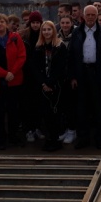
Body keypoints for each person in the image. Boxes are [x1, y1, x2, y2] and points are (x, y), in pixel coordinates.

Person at [68, 4, 101, 149]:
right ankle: (83, 138)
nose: (90, 17)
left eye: (93, 15)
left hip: (98, 73)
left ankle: (99, 138)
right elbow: (71, 55)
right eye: (88, 15)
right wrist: (73, 76)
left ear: (96, 16)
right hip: (82, 73)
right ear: (83, 16)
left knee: (99, 108)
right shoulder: (77, 32)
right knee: (82, 108)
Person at [0, 13, 27, 149]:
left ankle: (13, 137)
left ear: (7, 24)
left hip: (13, 80)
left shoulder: (15, 38)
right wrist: (4, 74)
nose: (0, 24)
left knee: (14, 111)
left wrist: (12, 72)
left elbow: (22, 56)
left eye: (2, 22)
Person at [32, 20, 68, 152]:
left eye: (49, 29)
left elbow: (61, 67)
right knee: (45, 113)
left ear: (53, 31)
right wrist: (43, 82)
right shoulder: (38, 47)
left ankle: (55, 140)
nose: (46, 32)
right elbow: (35, 68)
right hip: (43, 86)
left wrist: (50, 82)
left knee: (55, 113)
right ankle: (48, 139)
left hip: (56, 85)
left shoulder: (60, 46)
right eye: (44, 30)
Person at [19, 11, 44, 143]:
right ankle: (29, 129)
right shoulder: (23, 36)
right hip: (26, 74)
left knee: (38, 103)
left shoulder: (44, 34)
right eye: (33, 22)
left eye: (37, 22)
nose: (35, 25)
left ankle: (37, 128)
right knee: (27, 103)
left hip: (39, 74)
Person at [58, 15, 77, 144]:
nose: (65, 25)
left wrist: (73, 76)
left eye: (67, 23)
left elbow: (76, 58)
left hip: (71, 76)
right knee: (62, 105)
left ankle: (72, 130)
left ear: (71, 23)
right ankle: (65, 129)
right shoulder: (57, 36)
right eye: (63, 23)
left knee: (72, 105)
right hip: (60, 76)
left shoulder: (76, 36)